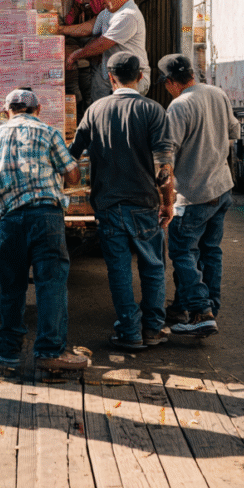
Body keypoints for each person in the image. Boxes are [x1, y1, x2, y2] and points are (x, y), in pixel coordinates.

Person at [0, 88, 88, 371]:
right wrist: (70, 171)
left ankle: (8, 354)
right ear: (38, 110)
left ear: (6, 113)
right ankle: (50, 352)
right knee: (50, 284)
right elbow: (72, 174)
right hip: (46, 217)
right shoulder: (50, 133)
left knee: (12, 287)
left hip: (10, 220)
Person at [69, 52, 174, 350]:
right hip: (144, 203)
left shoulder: (95, 110)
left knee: (118, 270)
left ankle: (129, 332)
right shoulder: (154, 111)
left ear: (109, 77)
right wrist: (168, 203)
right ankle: (153, 329)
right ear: (140, 76)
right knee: (153, 267)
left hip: (108, 205)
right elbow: (164, 166)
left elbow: (72, 157)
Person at [159, 53, 241, 337]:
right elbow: (234, 132)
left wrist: (165, 198)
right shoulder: (217, 93)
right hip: (221, 188)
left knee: (183, 253)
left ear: (170, 82)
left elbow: (166, 158)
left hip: (193, 195)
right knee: (210, 252)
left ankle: (201, 311)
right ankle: (203, 308)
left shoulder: (179, 105)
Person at [64, 0, 150, 104]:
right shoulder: (107, 12)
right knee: (100, 112)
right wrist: (60, 29)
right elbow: (89, 28)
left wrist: (75, 55)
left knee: (122, 116)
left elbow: (103, 44)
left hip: (130, 77)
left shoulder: (128, 15)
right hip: (108, 74)